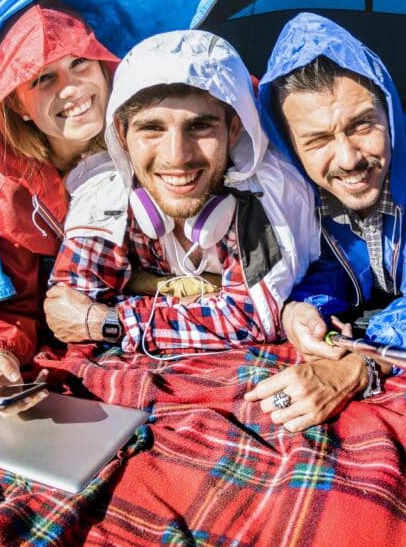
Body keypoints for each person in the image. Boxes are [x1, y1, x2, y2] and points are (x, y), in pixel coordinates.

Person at [44, 30, 319, 353]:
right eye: (152, 129)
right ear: (121, 133)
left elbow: (250, 318)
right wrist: (207, 295)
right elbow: (67, 307)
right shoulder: (104, 193)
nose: (177, 156)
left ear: (233, 129)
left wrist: (111, 319)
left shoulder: (266, 192)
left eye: (199, 127)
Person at [250, 12, 406, 431]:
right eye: (319, 140)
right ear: (291, 146)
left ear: (389, 109)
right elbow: (332, 261)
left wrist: (363, 358)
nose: (348, 159)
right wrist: (304, 307)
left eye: (362, 125)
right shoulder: (293, 187)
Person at [0, 0, 119, 410]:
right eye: (43, 80)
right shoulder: (14, 194)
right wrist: (2, 360)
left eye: (80, 64)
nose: (71, 89)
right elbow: (12, 303)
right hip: (89, 329)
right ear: (17, 105)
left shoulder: (145, 133)